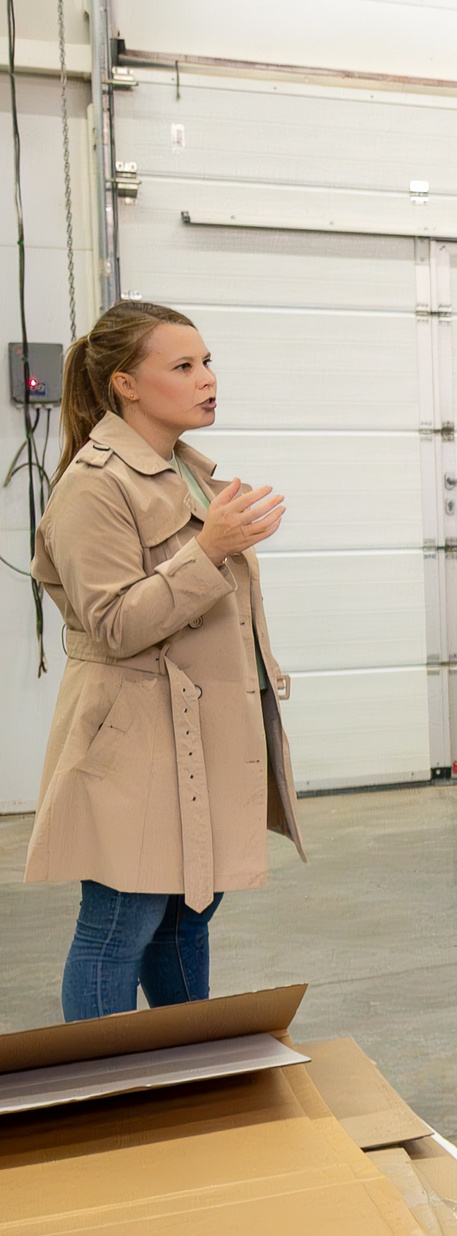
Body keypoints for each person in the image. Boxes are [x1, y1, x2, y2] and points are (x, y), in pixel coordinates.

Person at [26, 299, 302, 1021]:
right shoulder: (94, 485)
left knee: (185, 917)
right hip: (134, 743)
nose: (207, 378)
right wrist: (207, 549)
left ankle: (190, 1071)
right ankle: (103, 1092)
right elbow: (114, 623)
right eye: (183, 366)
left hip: (191, 740)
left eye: (207, 361)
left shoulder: (184, 471)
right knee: (121, 923)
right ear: (126, 384)